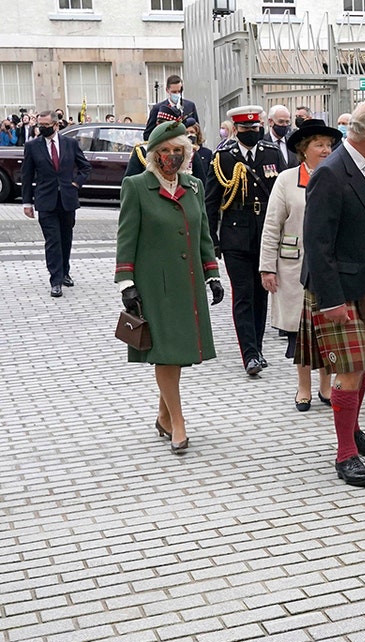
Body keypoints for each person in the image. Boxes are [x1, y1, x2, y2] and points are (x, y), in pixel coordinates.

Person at [296, 100, 365, 488]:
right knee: (349, 371)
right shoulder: (331, 173)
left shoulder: (364, 167)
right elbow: (317, 242)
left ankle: (352, 431)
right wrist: (332, 300)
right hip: (339, 290)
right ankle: (345, 455)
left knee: (363, 364)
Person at [114, 121, 224, 453]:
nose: (171, 157)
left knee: (179, 355)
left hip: (187, 283)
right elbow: (126, 237)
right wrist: (126, 283)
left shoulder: (193, 186)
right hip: (154, 286)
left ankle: (163, 416)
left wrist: (212, 273)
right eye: (164, 151)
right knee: (165, 354)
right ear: (153, 155)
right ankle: (178, 423)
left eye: (179, 151)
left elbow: (203, 231)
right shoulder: (136, 186)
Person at [259, 119, 339, 412]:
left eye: (329, 145)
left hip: (328, 267)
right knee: (300, 332)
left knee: (328, 329)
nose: (326, 150)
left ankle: (326, 386)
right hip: (294, 268)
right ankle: (303, 387)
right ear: (304, 150)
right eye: (319, 144)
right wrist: (267, 267)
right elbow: (272, 225)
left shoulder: (336, 176)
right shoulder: (286, 179)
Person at [205, 105, 284, 377]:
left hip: (265, 235)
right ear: (236, 129)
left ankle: (258, 349)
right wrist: (212, 240)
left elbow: (281, 196)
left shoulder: (272, 154)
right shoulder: (223, 157)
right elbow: (211, 202)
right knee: (243, 294)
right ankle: (248, 354)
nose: (252, 132)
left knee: (261, 294)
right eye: (246, 129)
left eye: (256, 128)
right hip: (235, 236)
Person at [22, 110, 91, 297]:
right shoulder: (32, 147)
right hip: (45, 200)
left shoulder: (70, 144)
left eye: (45, 125)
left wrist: (76, 183)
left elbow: (85, 167)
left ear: (56, 125)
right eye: (39, 125)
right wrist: (27, 202)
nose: (41, 128)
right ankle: (56, 280)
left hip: (67, 199)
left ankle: (65, 272)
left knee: (66, 239)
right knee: (53, 241)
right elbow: (27, 176)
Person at [143, 74, 199, 141]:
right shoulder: (157, 108)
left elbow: (198, 131)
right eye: (174, 92)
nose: (177, 94)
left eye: (179, 91)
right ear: (167, 90)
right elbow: (147, 135)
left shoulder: (190, 106)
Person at [186, 119, 213, 184]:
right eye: (186, 133)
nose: (189, 135)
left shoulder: (207, 153)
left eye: (192, 132)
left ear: (197, 134)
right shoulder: (183, 153)